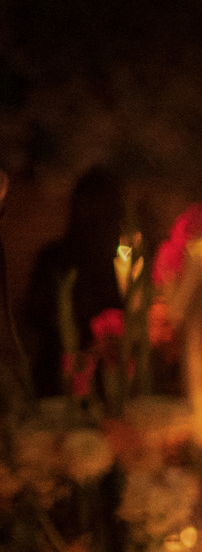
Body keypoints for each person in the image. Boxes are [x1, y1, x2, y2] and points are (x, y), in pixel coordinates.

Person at [20, 166, 125, 397]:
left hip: (102, 382)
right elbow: (33, 315)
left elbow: (117, 318)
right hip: (58, 381)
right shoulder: (54, 259)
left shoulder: (111, 265)